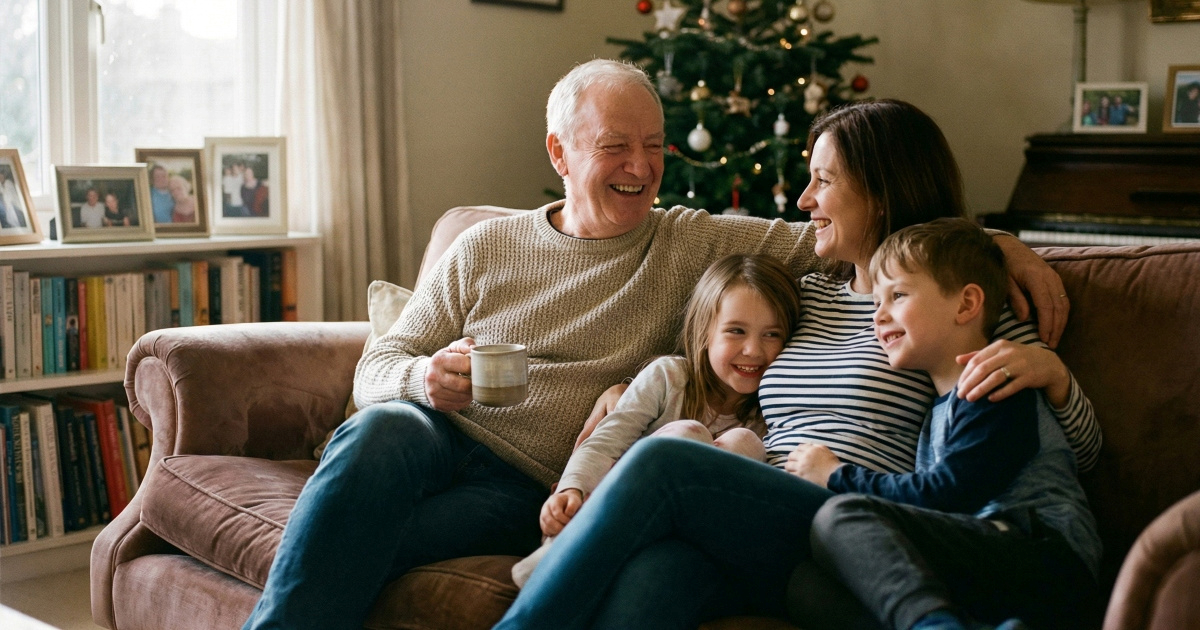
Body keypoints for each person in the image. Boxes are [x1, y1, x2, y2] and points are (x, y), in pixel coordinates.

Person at [241, 61, 1073, 630]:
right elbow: (377, 368)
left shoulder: (698, 243)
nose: (640, 167)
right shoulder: (485, 246)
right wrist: (424, 377)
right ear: (560, 153)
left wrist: (999, 246)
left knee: (357, 537)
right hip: (443, 434)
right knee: (377, 438)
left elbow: (889, 246)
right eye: (615, 147)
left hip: (542, 485)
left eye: (654, 146)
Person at [493, 99, 1099, 630]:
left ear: (881, 192)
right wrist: (630, 385)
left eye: (823, 181)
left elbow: (1071, 451)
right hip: (757, 508)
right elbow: (726, 349)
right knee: (660, 573)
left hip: (855, 520)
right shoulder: (806, 294)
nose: (805, 200)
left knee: (665, 463)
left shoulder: (947, 309)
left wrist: (1055, 374)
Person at [789, 218, 1101, 630]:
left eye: (897, 295)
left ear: (966, 305)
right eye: (876, 302)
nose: (878, 316)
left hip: (1046, 558)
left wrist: (836, 475)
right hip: (981, 555)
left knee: (842, 517)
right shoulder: (938, 409)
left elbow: (947, 495)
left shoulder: (995, 386)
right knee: (807, 587)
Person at [511, 253, 803, 588]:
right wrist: (571, 490)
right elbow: (605, 443)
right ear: (705, 332)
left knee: (743, 443)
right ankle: (566, 552)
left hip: (679, 543)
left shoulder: (774, 415)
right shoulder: (668, 377)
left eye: (772, 334)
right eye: (736, 331)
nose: (753, 350)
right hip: (616, 511)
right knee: (688, 436)